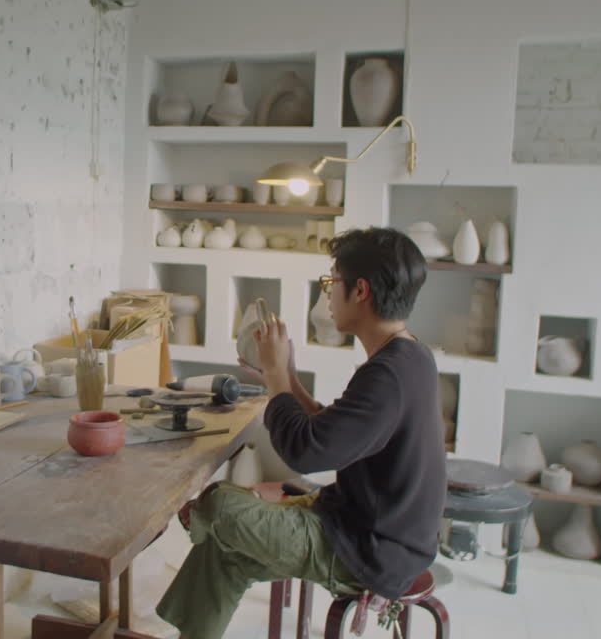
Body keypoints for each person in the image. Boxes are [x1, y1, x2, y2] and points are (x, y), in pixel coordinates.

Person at [155, 227, 446, 639]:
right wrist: (287, 377)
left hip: (369, 551)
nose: (327, 294)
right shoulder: (409, 355)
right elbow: (333, 428)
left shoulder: (388, 375)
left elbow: (307, 452)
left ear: (360, 290)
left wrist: (274, 375)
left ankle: (201, 519)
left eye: (332, 282)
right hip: (371, 530)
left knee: (219, 505)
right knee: (224, 550)